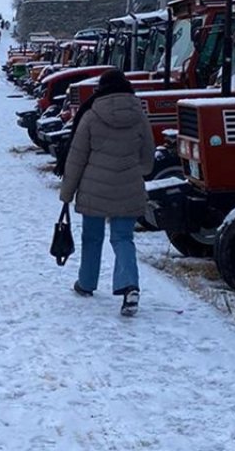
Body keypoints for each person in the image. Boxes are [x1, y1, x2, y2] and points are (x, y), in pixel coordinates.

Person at [57, 69, 154, 316]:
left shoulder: (91, 115)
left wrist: (67, 193)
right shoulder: (139, 115)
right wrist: (134, 170)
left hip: (94, 187)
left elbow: (77, 157)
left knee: (92, 237)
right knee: (123, 238)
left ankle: (86, 282)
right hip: (128, 187)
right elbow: (148, 157)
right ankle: (129, 286)